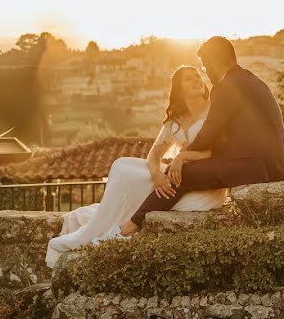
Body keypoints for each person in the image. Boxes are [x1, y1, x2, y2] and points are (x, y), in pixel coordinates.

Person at [45, 65, 228, 268]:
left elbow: (220, 153)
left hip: (201, 182)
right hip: (173, 176)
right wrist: (157, 174)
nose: (196, 80)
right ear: (179, 88)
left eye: (197, 76)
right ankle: (107, 223)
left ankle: (122, 229)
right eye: (189, 79)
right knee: (122, 167)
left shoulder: (214, 110)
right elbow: (154, 154)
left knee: (141, 187)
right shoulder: (175, 120)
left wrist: (183, 156)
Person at [119, 36, 284, 235]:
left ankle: (135, 222)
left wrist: (184, 157)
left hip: (254, 167)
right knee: (179, 168)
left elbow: (207, 135)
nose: (206, 72)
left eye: (204, 66)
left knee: (181, 173)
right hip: (278, 164)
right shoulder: (251, 80)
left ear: (215, 62)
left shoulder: (225, 88)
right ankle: (138, 218)